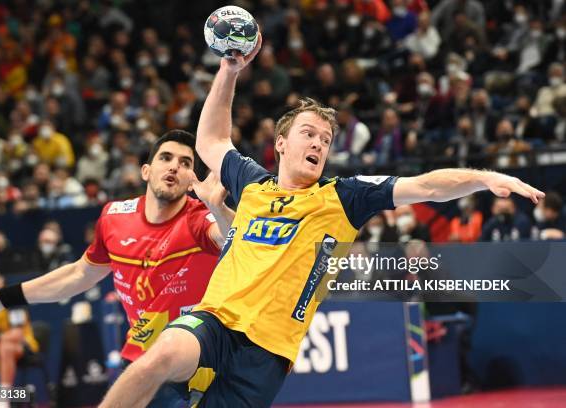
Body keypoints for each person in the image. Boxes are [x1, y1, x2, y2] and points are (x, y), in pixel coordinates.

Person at [98, 35, 544, 408]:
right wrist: (229, 70)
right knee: (158, 357)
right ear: (281, 144)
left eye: (326, 139)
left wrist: (486, 178)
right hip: (215, 322)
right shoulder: (252, 183)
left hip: (269, 356)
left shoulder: (343, 197)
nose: (318, 143)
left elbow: (426, 186)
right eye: (309, 134)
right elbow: (211, 139)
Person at [0, 130, 234, 406]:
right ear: (146, 171)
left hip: (197, 364)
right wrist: (1, 298)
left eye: (186, 163)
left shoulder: (199, 219)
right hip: (141, 355)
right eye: (166, 157)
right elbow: (79, 274)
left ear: (190, 182)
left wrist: (218, 207)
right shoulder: (114, 218)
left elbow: (232, 236)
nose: (175, 166)